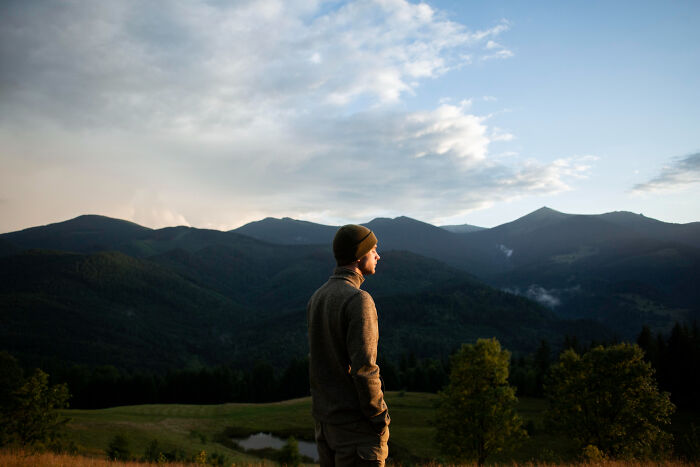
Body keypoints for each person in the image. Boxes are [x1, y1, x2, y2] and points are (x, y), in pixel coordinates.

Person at [307, 224, 390, 466]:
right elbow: (364, 368)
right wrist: (379, 417)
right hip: (355, 433)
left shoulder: (317, 297)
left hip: (326, 427)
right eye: (373, 249)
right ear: (358, 255)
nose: (377, 255)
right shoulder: (358, 300)